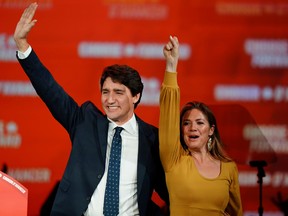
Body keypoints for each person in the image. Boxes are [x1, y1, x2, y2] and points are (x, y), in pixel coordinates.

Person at [14, 2, 169, 216]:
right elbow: (51, 91)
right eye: (105, 92)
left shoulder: (153, 140)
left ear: (136, 96)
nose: (110, 99)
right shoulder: (85, 122)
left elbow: (172, 193)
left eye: (118, 92)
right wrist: (23, 46)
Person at [159, 35, 243, 215]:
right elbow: (168, 114)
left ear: (211, 130)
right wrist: (171, 66)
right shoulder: (174, 160)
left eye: (199, 123)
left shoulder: (229, 168)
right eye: (186, 123)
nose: (192, 128)